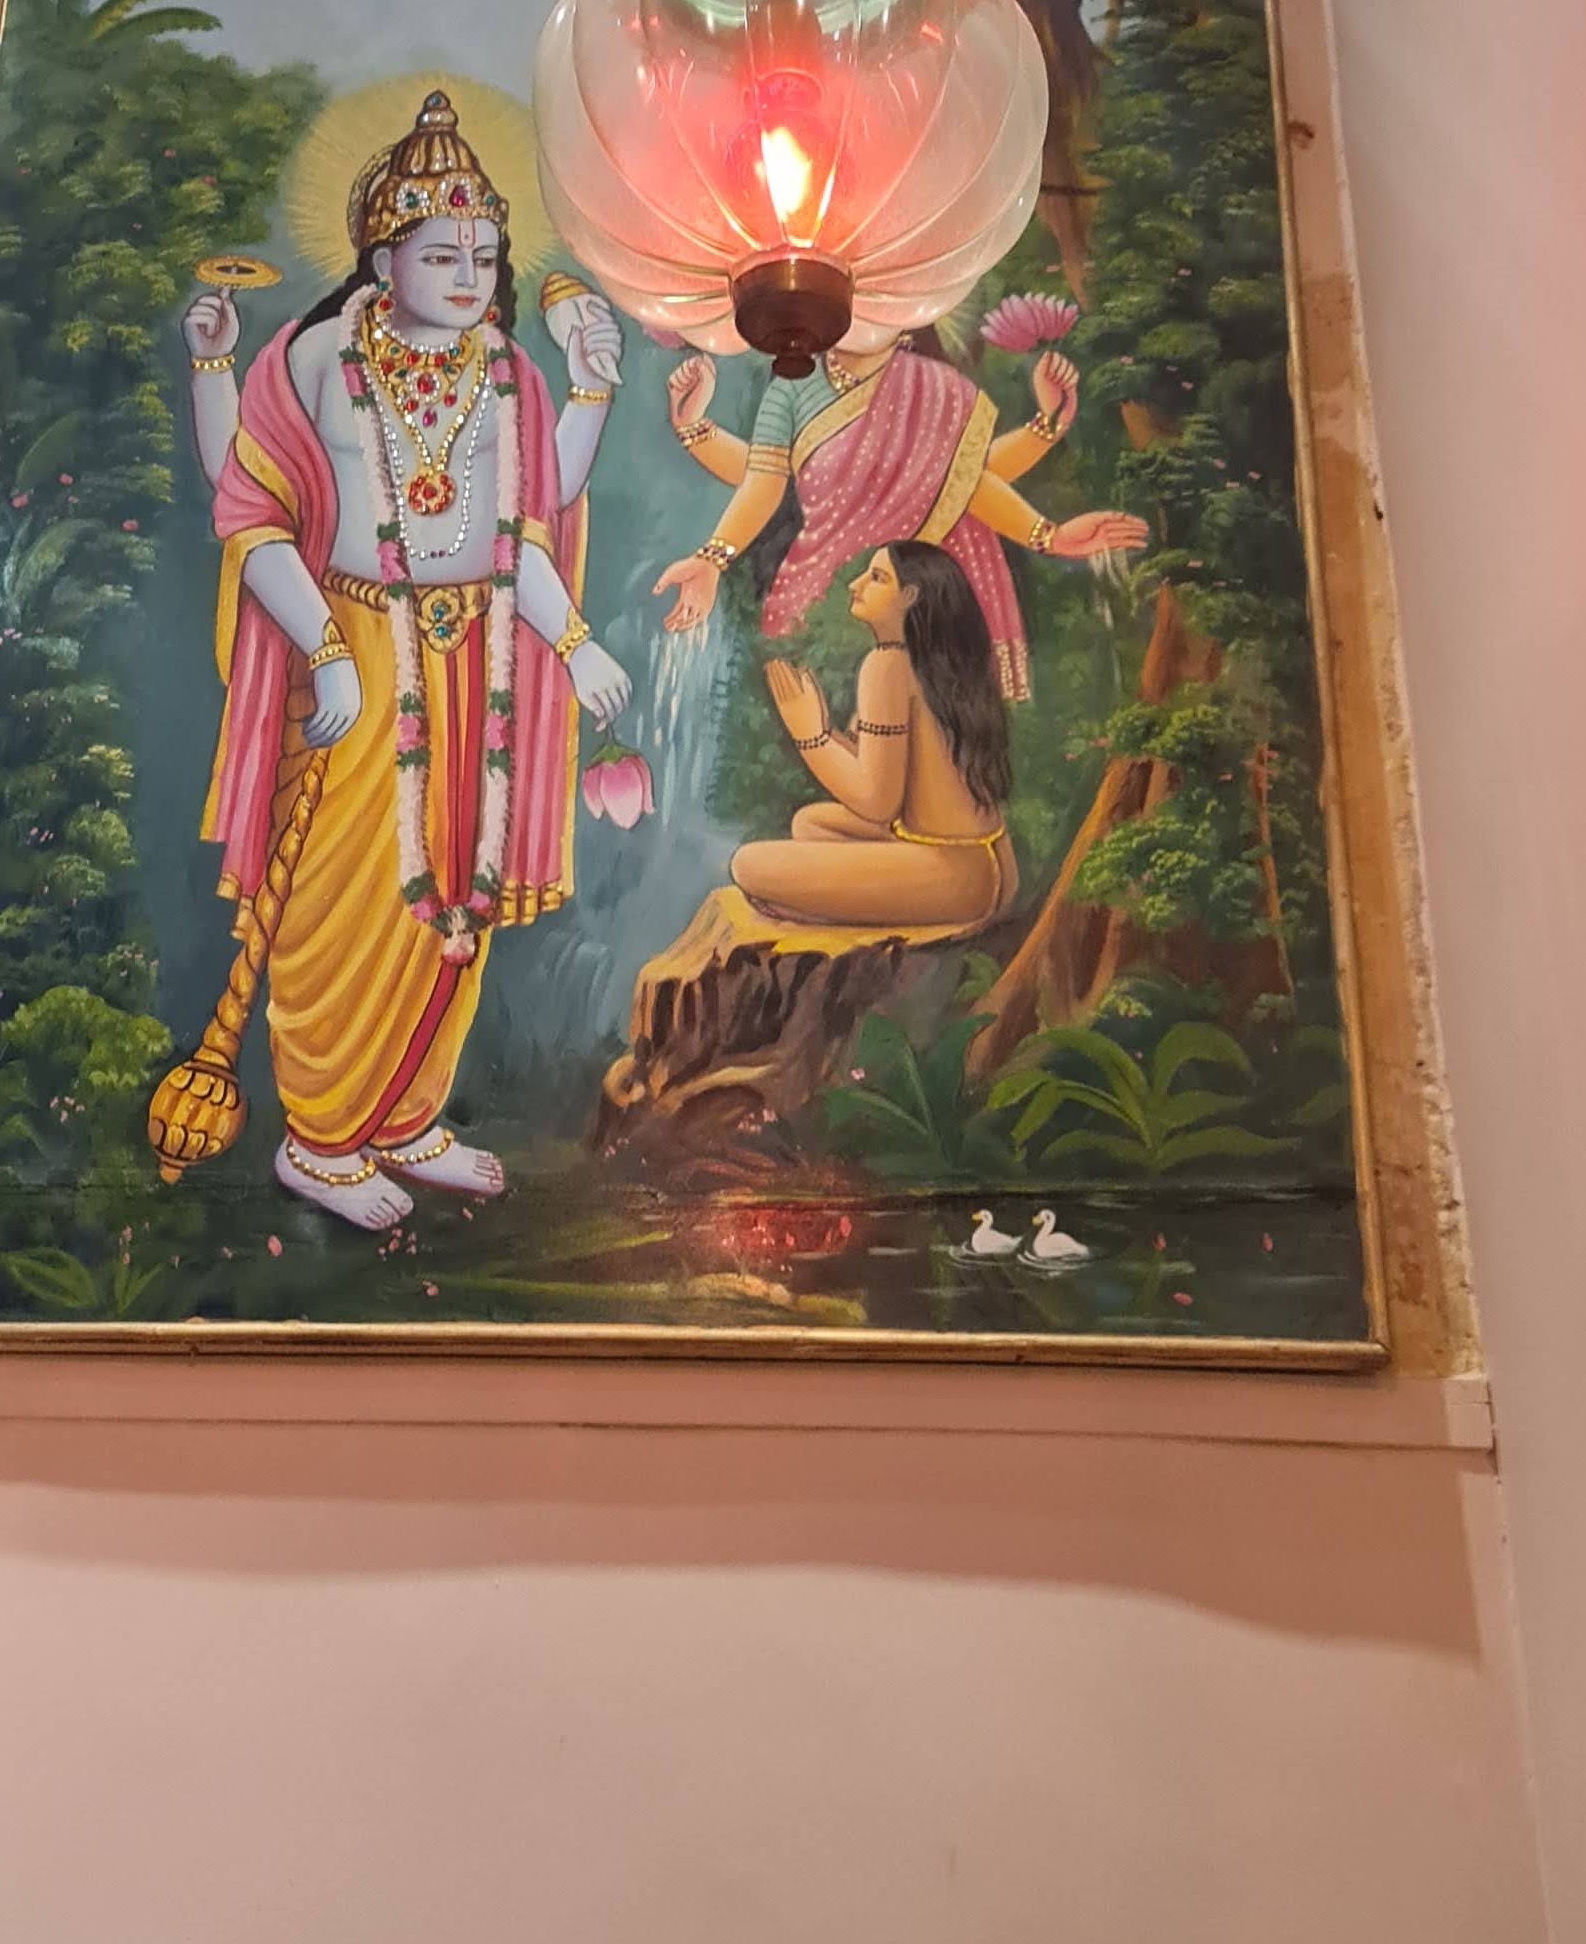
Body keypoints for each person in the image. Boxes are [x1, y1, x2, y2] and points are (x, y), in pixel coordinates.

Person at [179, 89, 631, 1228]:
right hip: (359, 645)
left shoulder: (504, 368)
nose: (470, 275)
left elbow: (531, 519)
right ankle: (320, 1136)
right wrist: (327, 653)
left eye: (484, 255)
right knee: (346, 895)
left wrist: (573, 641)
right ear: (383, 259)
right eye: (442, 254)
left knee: (456, 899)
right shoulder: (319, 356)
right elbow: (249, 508)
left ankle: (405, 1113)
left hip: (476, 655)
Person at [654, 326, 1145, 692]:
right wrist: (710, 556)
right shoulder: (794, 386)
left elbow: (966, 482)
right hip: (812, 603)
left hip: (917, 605)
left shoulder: (940, 390)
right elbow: (765, 479)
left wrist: (1048, 517)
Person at [731, 540, 1019, 933]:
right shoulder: (943, 662)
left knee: (747, 865)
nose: (856, 584)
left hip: (954, 877)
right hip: (993, 862)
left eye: (877, 577)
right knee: (810, 824)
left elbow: (877, 801)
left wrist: (810, 735)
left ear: (909, 596)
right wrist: (831, 734)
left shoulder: (887, 666)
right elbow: (891, 779)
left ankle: (836, 912)